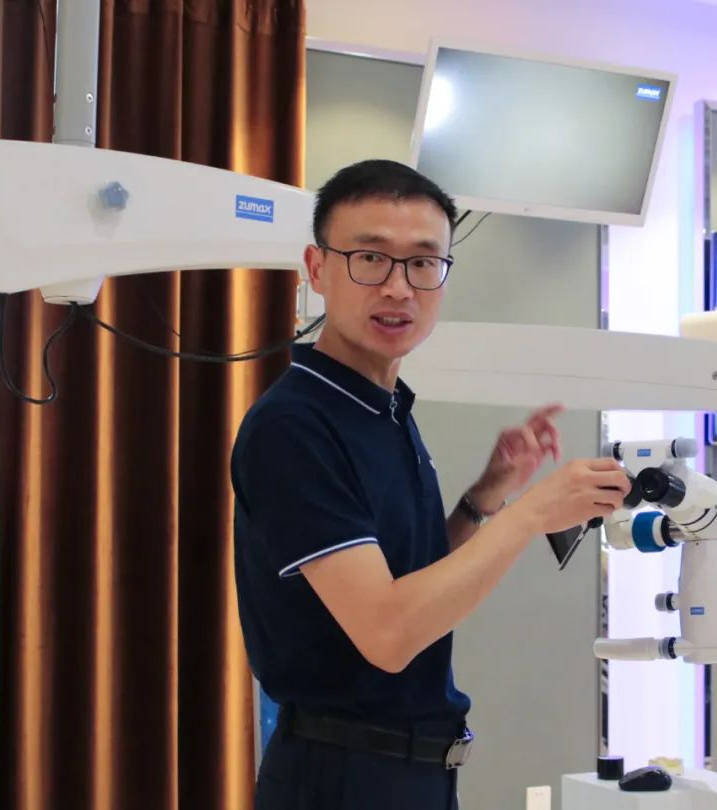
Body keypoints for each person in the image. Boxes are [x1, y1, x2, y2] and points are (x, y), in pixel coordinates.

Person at [230, 159, 631, 810]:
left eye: (422, 263)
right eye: (370, 258)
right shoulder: (295, 426)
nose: (399, 288)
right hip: (340, 777)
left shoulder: (384, 410)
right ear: (317, 268)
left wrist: (484, 499)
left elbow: (411, 585)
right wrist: (530, 515)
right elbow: (388, 633)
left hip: (414, 773)